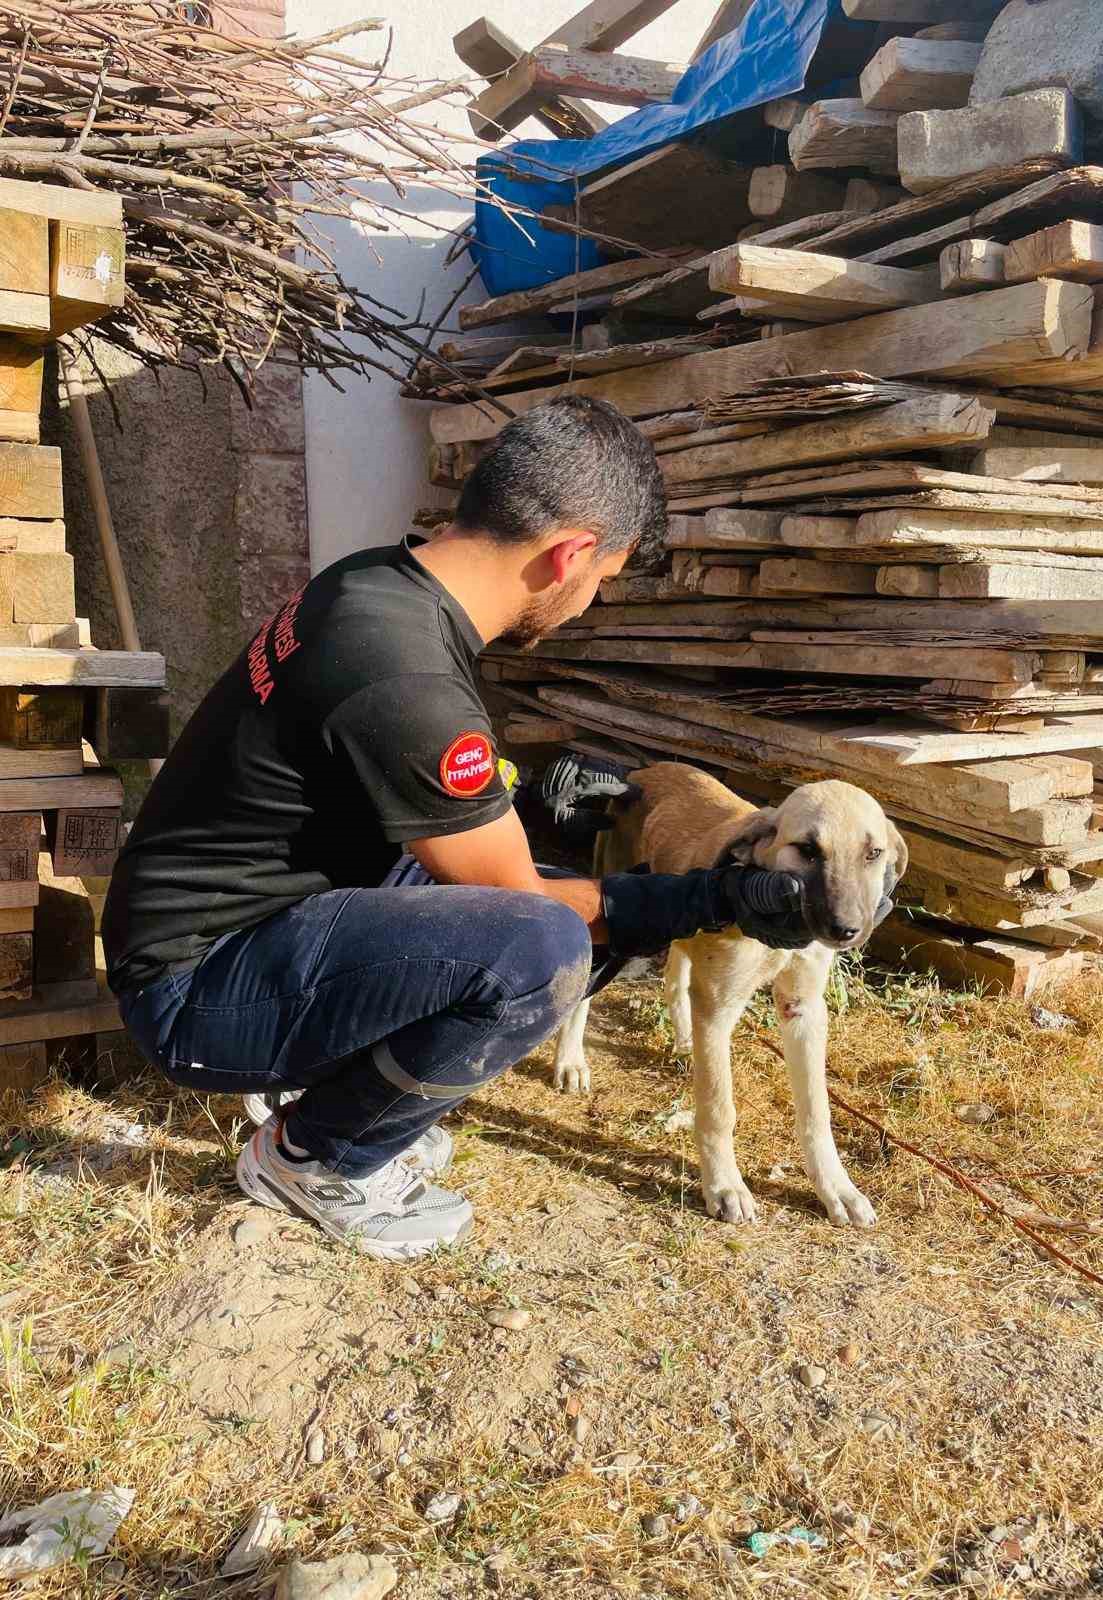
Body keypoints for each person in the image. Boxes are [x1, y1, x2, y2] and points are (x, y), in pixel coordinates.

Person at [102, 396, 818, 1264]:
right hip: (196, 991)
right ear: (570, 554)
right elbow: (526, 907)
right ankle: (316, 1153)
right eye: (602, 581)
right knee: (544, 946)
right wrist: (707, 897)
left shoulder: (374, 583)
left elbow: (398, 791)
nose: (589, 604)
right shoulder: (404, 675)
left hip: (231, 917)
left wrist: (536, 805)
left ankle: (342, 1092)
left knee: (549, 900)